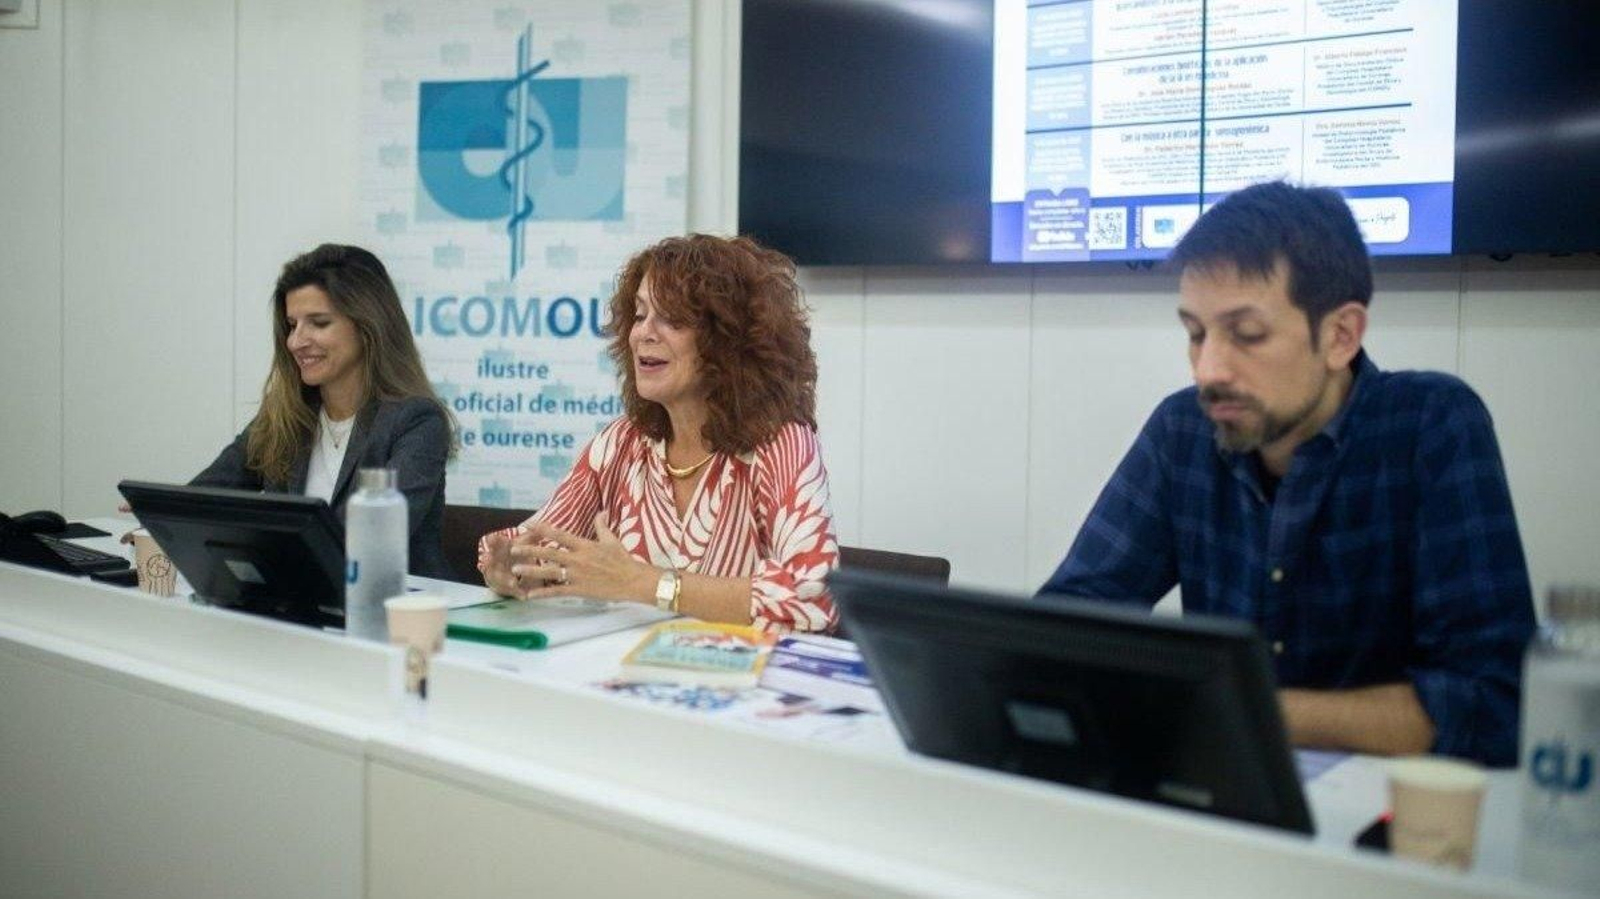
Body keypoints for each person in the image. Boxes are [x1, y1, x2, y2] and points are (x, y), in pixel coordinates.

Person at [1039, 181, 1536, 767]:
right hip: (1226, 792)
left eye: (1246, 335)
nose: (1208, 369)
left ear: (1340, 336)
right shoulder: (1184, 428)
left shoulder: (1431, 424)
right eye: (1195, 334)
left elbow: (1496, 702)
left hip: (1383, 821)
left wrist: (1234, 707)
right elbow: (1071, 620)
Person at [477, 234, 839, 633]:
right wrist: (507, 567)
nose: (643, 334)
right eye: (639, 314)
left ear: (730, 340)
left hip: (738, 683)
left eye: (672, 319)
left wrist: (641, 583)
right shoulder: (620, 444)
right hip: (623, 676)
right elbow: (534, 550)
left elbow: (814, 600)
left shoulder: (781, 444)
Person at [191, 244, 455, 578]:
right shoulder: (286, 415)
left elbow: (369, 539)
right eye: (292, 324)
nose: (295, 342)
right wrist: (159, 517)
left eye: (318, 322)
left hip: (396, 613)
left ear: (368, 326)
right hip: (301, 605)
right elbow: (207, 493)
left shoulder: (417, 421)